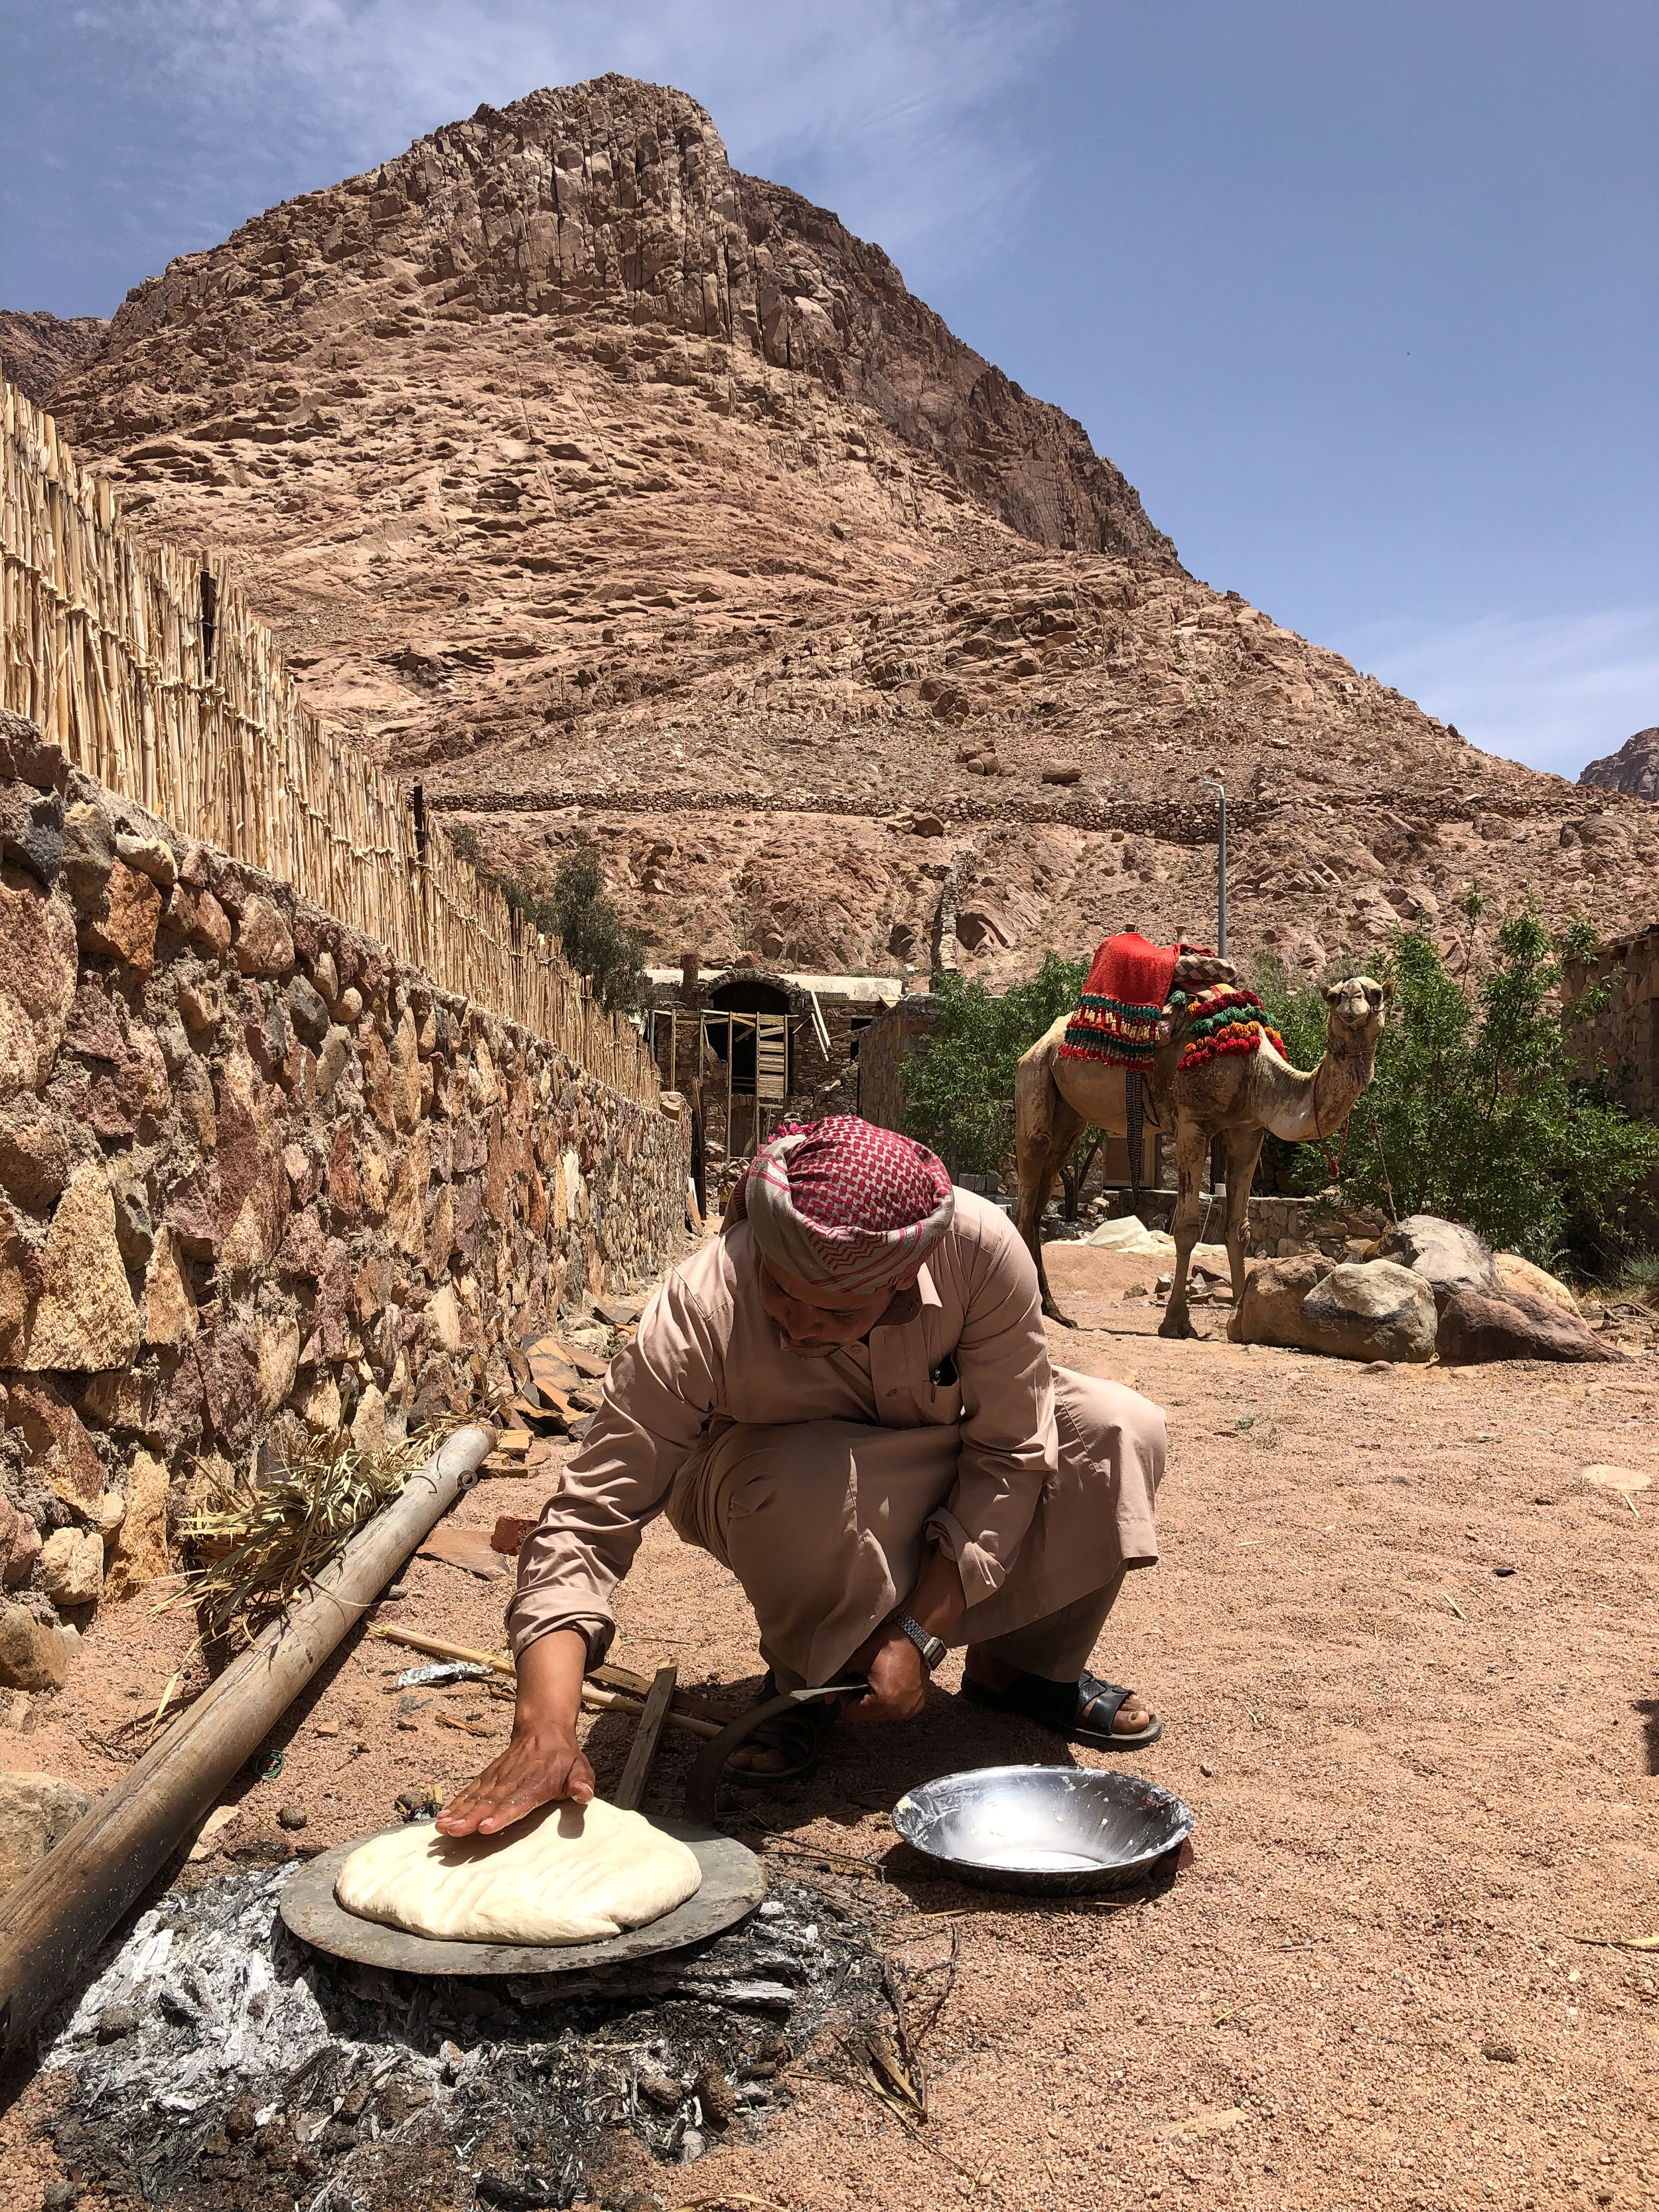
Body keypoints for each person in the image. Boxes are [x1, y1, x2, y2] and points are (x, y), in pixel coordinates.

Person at [439, 1116, 1166, 1837]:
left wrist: (920, 1636)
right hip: (767, 1475)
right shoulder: (700, 1306)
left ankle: (1023, 1671)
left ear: (903, 1283)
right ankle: (806, 1686)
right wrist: (544, 1727)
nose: (799, 1327)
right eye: (780, 1293)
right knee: (808, 1482)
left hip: (934, 1452)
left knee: (1115, 1428)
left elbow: (1009, 1451)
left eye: (837, 1311)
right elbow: (591, 1518)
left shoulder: (977, 1251)